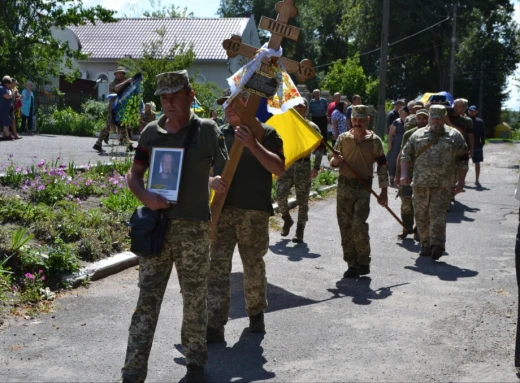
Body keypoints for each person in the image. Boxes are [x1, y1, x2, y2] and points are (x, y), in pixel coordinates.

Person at [122, 70, 228, 383]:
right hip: (158, 226)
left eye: (175, 96)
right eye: (163, 97)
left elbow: (225, 168)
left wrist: (214, 180)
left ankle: (195, 364)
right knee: (146, 301)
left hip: (194, 229)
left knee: (195, 298)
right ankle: (132, 372)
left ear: (189, 96)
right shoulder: (151, 134)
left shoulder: (207, 130)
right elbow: (134, 174)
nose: (168, 103)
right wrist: (145, 196)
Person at [207, 88, 285, 343]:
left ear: (247, 105)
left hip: (253, 212)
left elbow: (278, 168)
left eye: (232, 103)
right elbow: (203, 169)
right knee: (217, 268)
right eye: (224, 104)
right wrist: (210, 181)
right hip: (222, 210)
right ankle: (215, 324)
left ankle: (255, 314)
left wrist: (253, 143)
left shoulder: (266, 133)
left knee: (252, 265)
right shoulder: (219, 135)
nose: (226, 108)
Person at [400, 105, 469, 260]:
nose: (436, 121)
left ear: (444, 118)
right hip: (420, 184)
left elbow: (463, 159)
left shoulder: (454, 136)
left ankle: (437, 244)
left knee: (436, 213)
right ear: (429, 118)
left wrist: (461, 181)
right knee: (421, 215)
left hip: (443, 184)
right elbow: (406, 155)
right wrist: (404, 174)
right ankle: (425, 244)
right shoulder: (417, 135)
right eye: (433, 118)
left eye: (439, 118)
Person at [330, 105, 389, 278]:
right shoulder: (343, 138)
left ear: (367, 120)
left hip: (363, 187)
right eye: (355, 120)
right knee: (345, 225)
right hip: (344, 186)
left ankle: (364, 260)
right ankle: (351, 262)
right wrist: (335, 160)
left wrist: (384, 191)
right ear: (351, 120)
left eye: (361, 120)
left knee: (359, 225)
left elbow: (383, 167)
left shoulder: (375, 141)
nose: (357, 123)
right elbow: (333, 162)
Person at [276, 98, 323, 243]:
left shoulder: (312, 127)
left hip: (303, 166)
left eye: (302, 107)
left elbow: (319, 149)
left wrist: (316, 167)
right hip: (287, 165)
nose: (299, 109)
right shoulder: (287, 126)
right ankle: (286, 218)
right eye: (296, 106)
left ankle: (300, 230)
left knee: (302, 200)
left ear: (306, 109)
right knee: (280, 195)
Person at [393, 109, 429, 240]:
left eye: (424, 118)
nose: (421, 121)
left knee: (421, 204)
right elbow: (402, 154)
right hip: (407, 172)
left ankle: (419, 230)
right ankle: (406, 227)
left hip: (424, 175)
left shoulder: (433, 134)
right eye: (419, 118)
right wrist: (397, 174)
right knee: (406, 203)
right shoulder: (408, 134)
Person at [93, 67, 136, 153]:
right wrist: (127, 81)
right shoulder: (113, 83)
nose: (122, 75)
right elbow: (116, 88)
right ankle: (98, 144)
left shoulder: (123, 83)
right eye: (120, 73)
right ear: (115, 74)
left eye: (123, 73)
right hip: (113, 107)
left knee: (122, 125)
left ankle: (128, 145)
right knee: (108, 126)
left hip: (121, 107)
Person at [386, 106, 409, 186]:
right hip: (396, 143)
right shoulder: (397, 121)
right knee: (394, 159)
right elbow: (391, 133)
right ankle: (392, 177)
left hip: (405, 142)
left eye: (402, 111)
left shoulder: (409, 121)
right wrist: (389, 144)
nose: (400, 112)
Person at [467, 105, 486, 187]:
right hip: (466, 145)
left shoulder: (480, 121)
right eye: (470, 110)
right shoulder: (465, 120)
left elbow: (483, 133)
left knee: (477, 163)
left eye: (473, 111)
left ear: (476, 112)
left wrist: (482, 143)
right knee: (463, 163)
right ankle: (461, 180)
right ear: (468, 111)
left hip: (477, 145)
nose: (472, 112)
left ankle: (477, 180)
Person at [1, 76, 13, 140]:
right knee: (6, 122)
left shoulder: (5, 89)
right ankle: (7, 135)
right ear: (6, 83)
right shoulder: (2, 88)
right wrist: (10, 92)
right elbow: (7, 97)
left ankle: (4, 135)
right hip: (2, 109)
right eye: (10, 83)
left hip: (4, 109)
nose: (10, 85)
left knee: (6, 122)